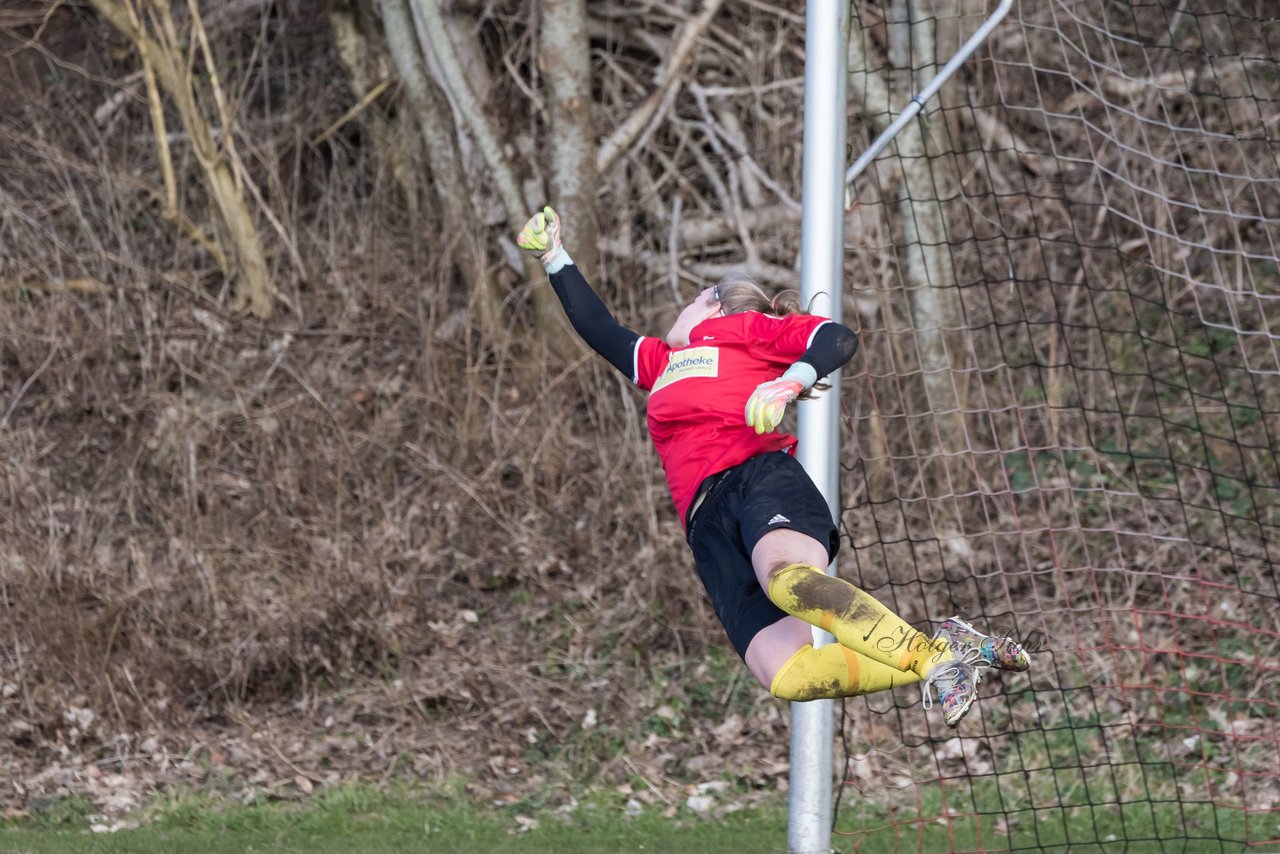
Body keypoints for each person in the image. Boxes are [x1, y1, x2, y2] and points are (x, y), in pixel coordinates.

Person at [517, 206, 1030, 726]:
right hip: (706, 527)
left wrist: (792, 379)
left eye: (691, 299)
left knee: (788, 581)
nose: (680, 311)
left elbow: (836, 337)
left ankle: (937, 660)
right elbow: (598, 326)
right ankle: (952, 649)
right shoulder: (660, 363)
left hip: (758, 481)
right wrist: (554, 256)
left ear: (713, 304)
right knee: (789, 675)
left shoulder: (745, 328)